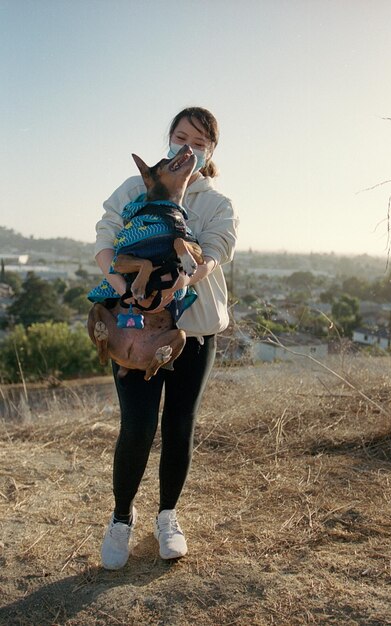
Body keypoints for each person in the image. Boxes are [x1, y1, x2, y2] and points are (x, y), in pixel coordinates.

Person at [94, 106, 239, 569]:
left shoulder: (217, 202)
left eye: (198, 142)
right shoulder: (138, 185)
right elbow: (107, 231)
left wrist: (190, 276)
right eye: (180, 137)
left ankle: (167, 516)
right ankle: (121, 519)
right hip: (135, 327)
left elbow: (216, 250)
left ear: (211, 150)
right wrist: (119, 285)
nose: (187, 148)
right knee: (137, 427)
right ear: (168, 139)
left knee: (179, 427)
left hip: (194, 330)